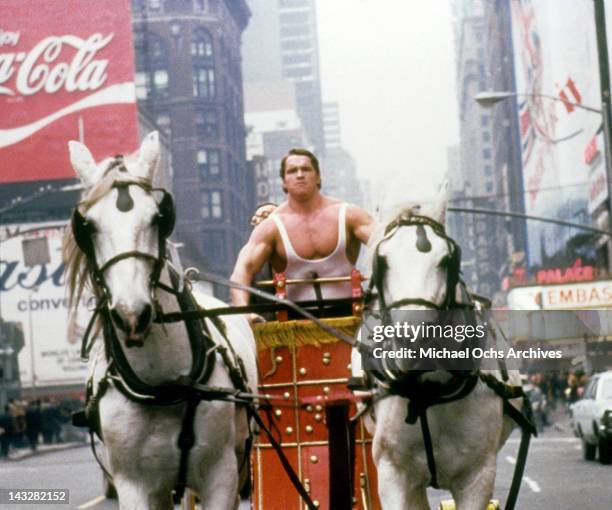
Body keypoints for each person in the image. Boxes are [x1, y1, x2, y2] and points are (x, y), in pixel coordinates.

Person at [230, 148, 375, 318]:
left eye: (305, 169)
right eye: (292, 171)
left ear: (318, 177)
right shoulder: (271, 226)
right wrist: (245, 313)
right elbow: (241, 272)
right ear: (283, 182)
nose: (299, 175)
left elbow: (387, 244)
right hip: (293, 323)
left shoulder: (349, 215)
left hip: (352, 315)